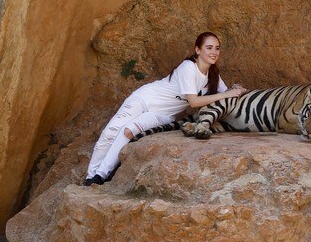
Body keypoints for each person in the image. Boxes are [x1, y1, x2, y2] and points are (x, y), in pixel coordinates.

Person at [84, 32, 247, 186]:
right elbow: (194, 102)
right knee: (111, 132)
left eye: (217, 48)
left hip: (163, 114)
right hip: (144, 99)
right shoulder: (188, 67)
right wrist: (227, 94)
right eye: (209, 48)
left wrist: (235, 89)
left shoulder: (213, 74)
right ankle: (91, 177)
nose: (214, 52)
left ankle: (101, 176)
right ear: (197, 49)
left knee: (128, 131)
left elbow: (226, 93)